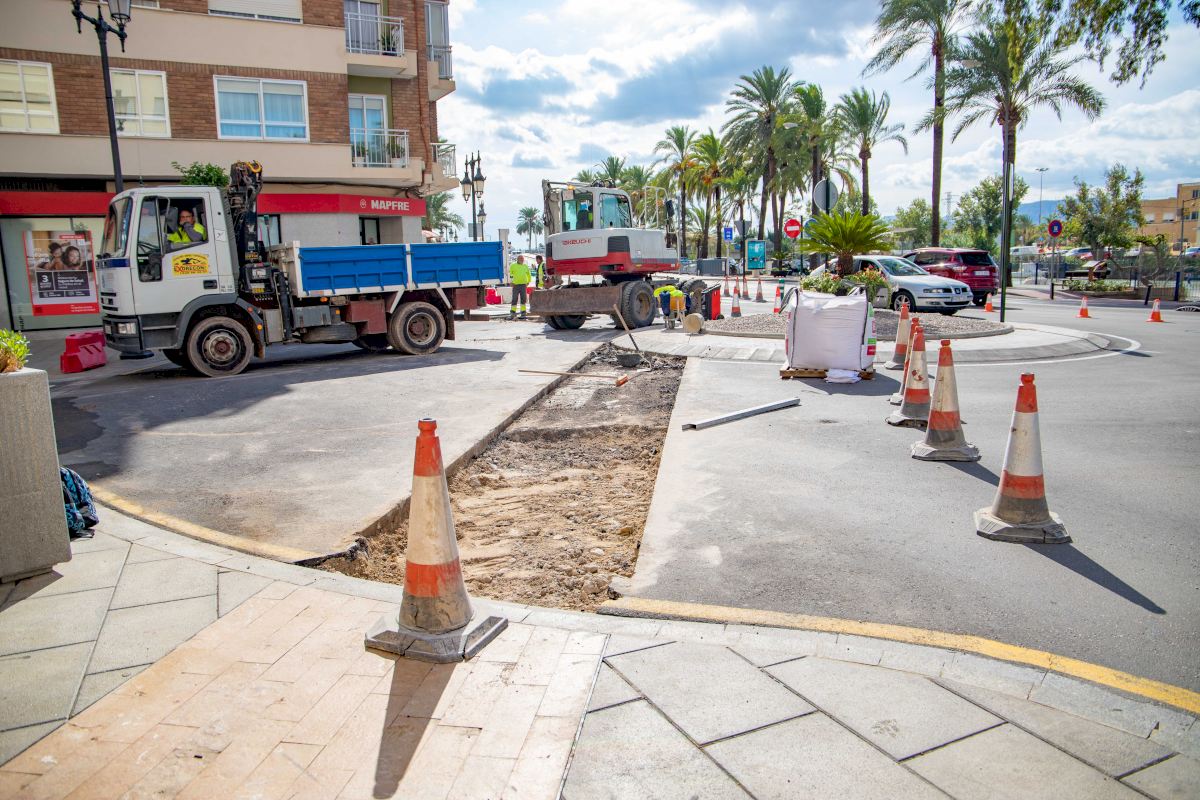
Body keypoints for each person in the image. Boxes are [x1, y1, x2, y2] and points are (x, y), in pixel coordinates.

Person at [509, 254, 531, 320]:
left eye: (523, 259)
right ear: (517, 259)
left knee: (523, 299)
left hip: (523, 285)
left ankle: (523, 313)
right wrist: (511, 282)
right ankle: (513, 313)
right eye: (521, 259)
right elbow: (510, 274)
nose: (522, 260)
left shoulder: (525, 266)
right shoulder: (513, 265)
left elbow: (528, 274)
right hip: (515, 285)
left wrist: (528, 281)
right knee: (514, 299)